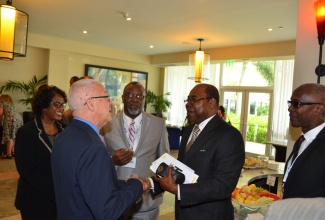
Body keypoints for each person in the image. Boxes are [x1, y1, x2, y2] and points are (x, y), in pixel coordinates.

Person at [51, 79, 150, 220]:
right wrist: (137, 185)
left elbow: (83, 184)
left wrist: (123, 185)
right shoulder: (93, 147)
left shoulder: (64, 136)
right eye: (106, 97)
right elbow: (108, 211)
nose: (111, 102)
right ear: (91, 104)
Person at [152, 83, 245, 219]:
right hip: (183, 213)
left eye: (194, 100)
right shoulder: (189, 130)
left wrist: (178, 190)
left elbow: (223, 185)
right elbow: (182, 169)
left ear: (211, 103)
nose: (188, 104)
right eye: (187, 100)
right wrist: (150, 183)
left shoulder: (229, 135)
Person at [102, 82, 170, 220]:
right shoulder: (106, 123)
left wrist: (157, 187)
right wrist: (112, 160)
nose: (135, 99)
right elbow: (98, 158)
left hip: (147, 201)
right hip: (115, 198)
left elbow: (165, 161)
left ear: (143, 99)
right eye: (130, 95)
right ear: (122, 98)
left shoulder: (158, 124)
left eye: (139, 96)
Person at [14, 85, 67, 220]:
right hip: (34, 200)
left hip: (61, 201)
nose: (61, 108)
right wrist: (56, 191)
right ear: (43, 106)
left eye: (62, 104)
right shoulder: (26, 132)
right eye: (56, 104)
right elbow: (27, 171)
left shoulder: (65, 131)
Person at [283, 83, 325, 199]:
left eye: (296, 104)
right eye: (291, 103)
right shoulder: (301, 141)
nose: (290, 108)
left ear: (318, 109)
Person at [0, 94, 23, 158]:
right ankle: (13, 152)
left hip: (10, 118)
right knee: (14, 136)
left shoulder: (1, 103)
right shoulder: (11, 105)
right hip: (19, 118)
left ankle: (8, 154)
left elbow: (1, 113)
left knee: (9, 136)